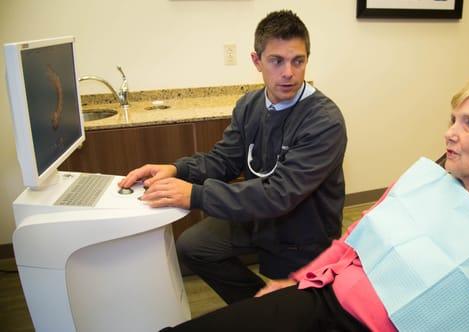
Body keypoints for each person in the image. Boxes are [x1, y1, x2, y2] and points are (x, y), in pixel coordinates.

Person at [159, 78, 469, 332]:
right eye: (453, 119)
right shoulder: (423, 182)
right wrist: (302, 280)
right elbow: (355, 237)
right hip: (325, 300)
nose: (449, 134)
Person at [119, 10, 347, 304]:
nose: (288, 72)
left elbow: (279, 195)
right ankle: (256, 307)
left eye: (298, 61)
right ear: (257, 61)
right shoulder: (250, 105)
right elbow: (223, 161)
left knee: (297, 309)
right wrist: (176, 170)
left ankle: (277, 309)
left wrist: (196, 195)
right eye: (276, 61)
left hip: (301, 232)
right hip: (258, 217)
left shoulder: (324, 121)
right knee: (193, 246)